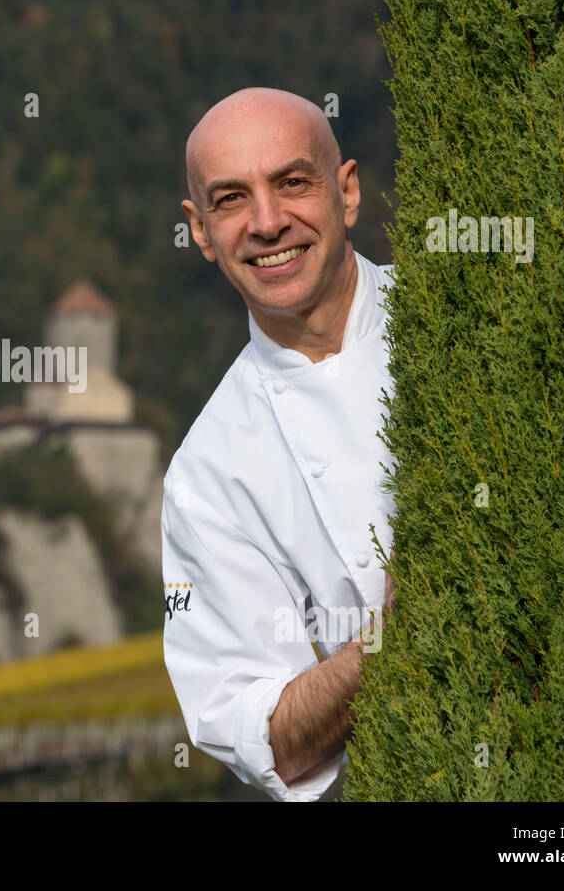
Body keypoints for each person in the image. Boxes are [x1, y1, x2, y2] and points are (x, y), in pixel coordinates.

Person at [162, 87, 398, 801]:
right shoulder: (205, 477)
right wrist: (392, 644)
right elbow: (261, 736)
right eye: (231, 199)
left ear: (348, 191)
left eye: (292, 182)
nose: (268, 222)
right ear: (200, 230)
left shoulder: (464, 315)